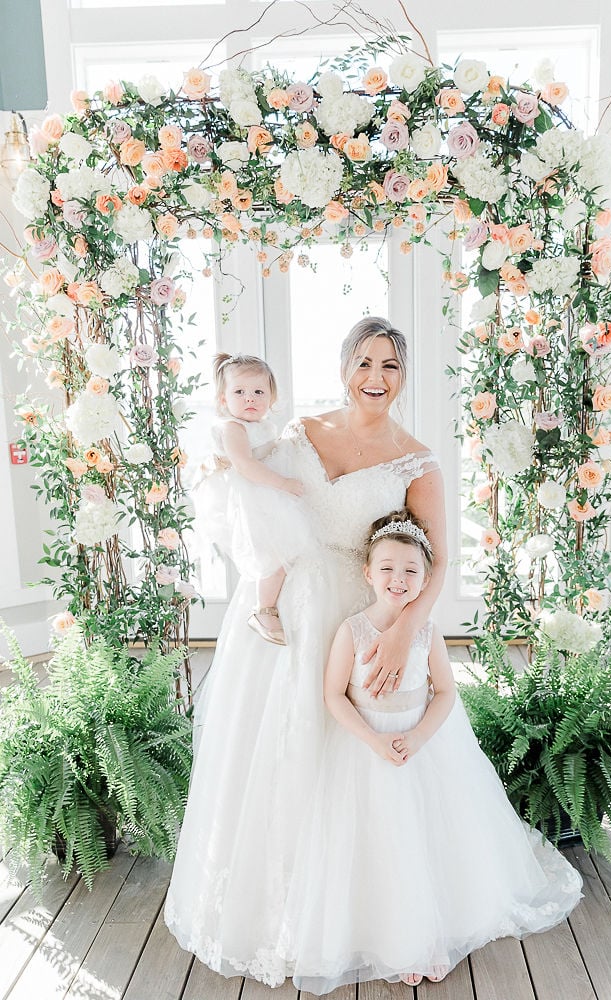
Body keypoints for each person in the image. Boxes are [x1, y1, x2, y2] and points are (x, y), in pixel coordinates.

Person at [165, 317, 447, 986]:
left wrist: (403, 630)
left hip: (365, 611)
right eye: (364, 362)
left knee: (362, 761)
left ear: (403, 378)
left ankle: (380, 914)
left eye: (389, 366)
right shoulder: (300, 434)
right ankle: (279, 912)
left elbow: (437, 562)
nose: (375, 378)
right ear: (344, 366)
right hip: (293, 610)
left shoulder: (417, 460)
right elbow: (250, 493)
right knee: (276, 750)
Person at [280, 510, 583, 995]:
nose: (398, 579)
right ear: (367, 573)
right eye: (387, 568)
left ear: (425, 578)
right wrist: (374, 740)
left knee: (425, 836)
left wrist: (419, 737)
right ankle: (391, 937)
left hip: (422, 747)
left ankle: (432, 933)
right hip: (365, 751)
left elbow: (445, 692)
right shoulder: (352, 631)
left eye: (410, 570)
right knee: (379, 841)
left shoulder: (426, 632)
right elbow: (333, 695)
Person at [194, 353, 310, 645]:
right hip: (251, 496)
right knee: (273, 553)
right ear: (223, 399)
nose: (250, 399)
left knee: (288, 547)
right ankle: (264, 610)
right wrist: (283, 483)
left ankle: (278, 602)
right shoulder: (232, 427)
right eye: (240, 392)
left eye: (259, 392)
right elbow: (246, 465)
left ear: (272, 397)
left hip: (264, 491)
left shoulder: (262, 424)